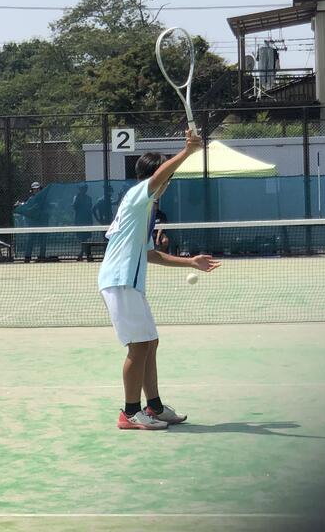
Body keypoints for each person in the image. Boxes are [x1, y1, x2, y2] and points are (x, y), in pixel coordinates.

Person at [98, 130, 220, 430]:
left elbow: (152, 254)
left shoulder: (146, 211)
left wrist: (190, 262)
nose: (167, 184)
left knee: (150, 343)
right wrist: (187, 152)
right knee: (138, 347)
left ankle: (153, 406)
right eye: (166, 178)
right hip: (120, 281)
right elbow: (156, 178)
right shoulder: (138, 195)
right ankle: (129, 413)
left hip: (131, 283)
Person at [23, 181, 48, 262]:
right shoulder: (30, 199)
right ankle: (27, 257)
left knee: (43, 240)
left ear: (40, 189)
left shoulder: (44, 199)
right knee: (30, 240)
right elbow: (28, 209)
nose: (36, 190)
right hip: (33, 223)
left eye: (38, 189)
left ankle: (42, 257)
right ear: (32, 190)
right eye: (34, 189)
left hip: (42, 223)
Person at [73, 184, 93, 261]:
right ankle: (86, 254)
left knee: (85, 239)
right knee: (82, 239)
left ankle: (83, 254)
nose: (83, 190)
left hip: (87, 221)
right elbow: (74, 207)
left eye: (84, 188)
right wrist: (77, 199)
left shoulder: (89, 198)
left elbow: (89, 208)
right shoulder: (76, 197)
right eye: (82, 188)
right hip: (79, 222)